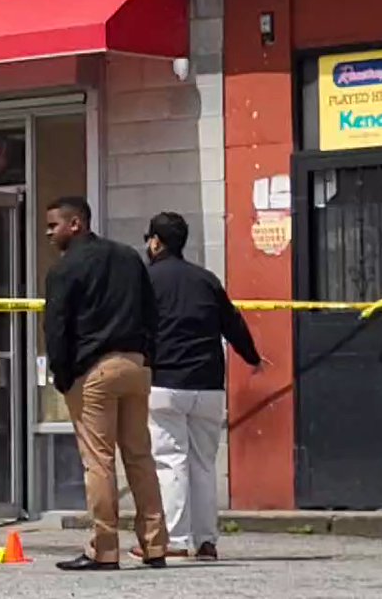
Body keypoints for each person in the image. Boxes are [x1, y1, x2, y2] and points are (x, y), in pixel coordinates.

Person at [43, 196, 169, 571]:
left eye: (54, 225)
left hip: (94, 371)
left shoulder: (65, 269)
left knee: (98, 461)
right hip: (134, 365)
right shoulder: (130, 258)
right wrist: (148, 358)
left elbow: (56, 327)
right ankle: (155, 545)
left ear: (76, 223)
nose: (49, 233)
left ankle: (104, 548)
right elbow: (152, 313)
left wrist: (63, 376)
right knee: (140, 457)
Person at [139, 212, 264, 562]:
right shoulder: (206, 279)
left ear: (155, 242)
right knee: (204, 464)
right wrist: (252, 357)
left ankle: (176, 541)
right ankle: (206, 541)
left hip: (164, 383)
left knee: (170, 461)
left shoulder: (146, 279)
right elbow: (233, 323)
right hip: (209, 385)